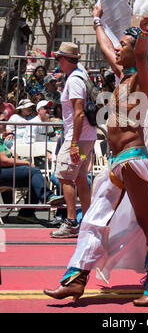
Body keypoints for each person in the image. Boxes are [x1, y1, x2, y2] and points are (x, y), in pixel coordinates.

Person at [44, 5, 148, 307]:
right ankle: (75, 279)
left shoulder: (142, 78)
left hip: (133, 160)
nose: (117, 48)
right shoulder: (122, 79)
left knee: (146, 220)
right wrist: (97, 19)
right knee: (93, 221)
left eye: (122, 45)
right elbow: (104, 47)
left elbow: (139, 54)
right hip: (115, 164)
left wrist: (143, 29)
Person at [48, 42, 97, 239]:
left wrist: (74, 144)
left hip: (78, 139)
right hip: (86, 138)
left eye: (59, 58)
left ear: (67, 60)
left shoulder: (75, 80)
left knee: (65, 177)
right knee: (79, 177)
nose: (58, 61)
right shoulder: (80, 76)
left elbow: (78, 113)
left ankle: (70, 222)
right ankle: (88, 221)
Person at [0, 116, 57, 223]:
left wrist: (13, 155)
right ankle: (48, 197)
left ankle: (26, 213)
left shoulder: (1, 139)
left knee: (36, 179)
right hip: (2, 172)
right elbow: (4, 161)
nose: (5, 123)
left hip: (6, 171)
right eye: (2, 121)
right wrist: (27, 162)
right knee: (33, 171)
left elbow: (9, 155)